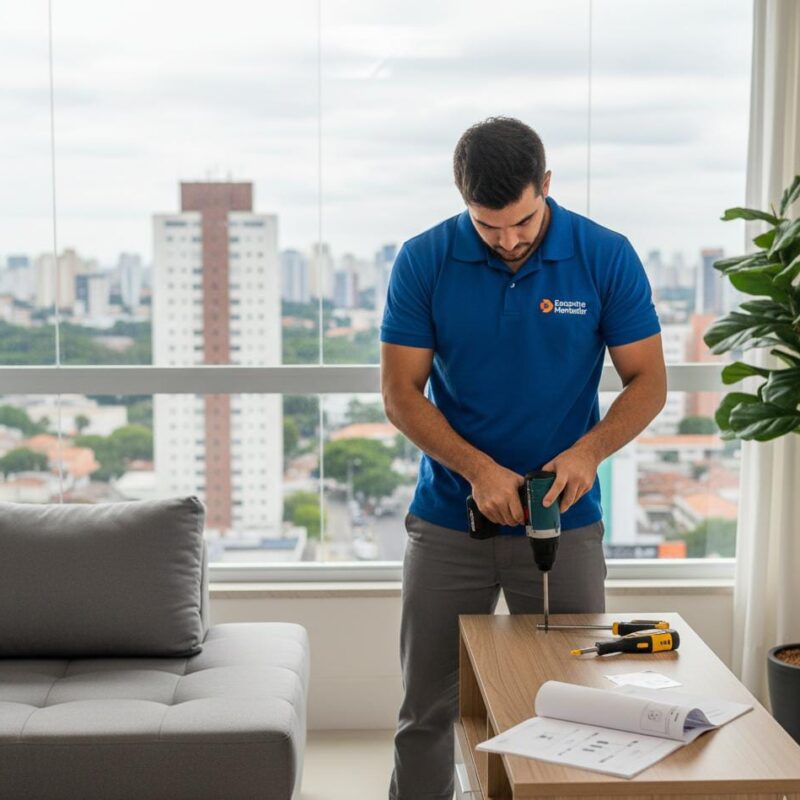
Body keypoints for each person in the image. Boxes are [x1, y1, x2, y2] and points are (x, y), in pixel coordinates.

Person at [380, 116, 667, 800]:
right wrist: (478, 471)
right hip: (451, 522)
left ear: (547, 186)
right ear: (462, 200)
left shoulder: (605, 255)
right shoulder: (423, 260)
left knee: (575, 702)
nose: (507, 241)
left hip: (564, 521)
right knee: (428, 711)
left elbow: (649, 381)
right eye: (487, 226)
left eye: (521, 222)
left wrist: (588, 452)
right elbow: (399, 393)